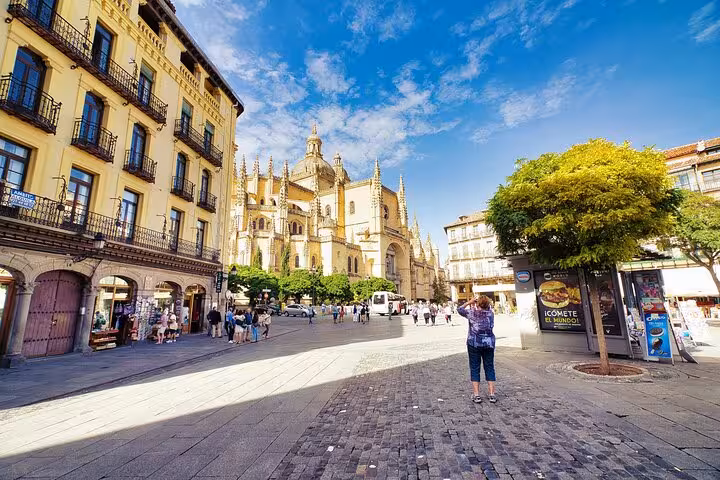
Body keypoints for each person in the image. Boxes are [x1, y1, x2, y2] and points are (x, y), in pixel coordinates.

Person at [458, 295, 497, 404]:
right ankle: (492, 394)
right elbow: (487, 308)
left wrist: (470, 302)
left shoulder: (471, 313)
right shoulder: (491, 314)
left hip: (474, 343)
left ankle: (476, 395)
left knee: (475, 367)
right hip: (489, 344)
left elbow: (459, 309)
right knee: (489, 367)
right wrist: (480, 304)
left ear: (477, 304)